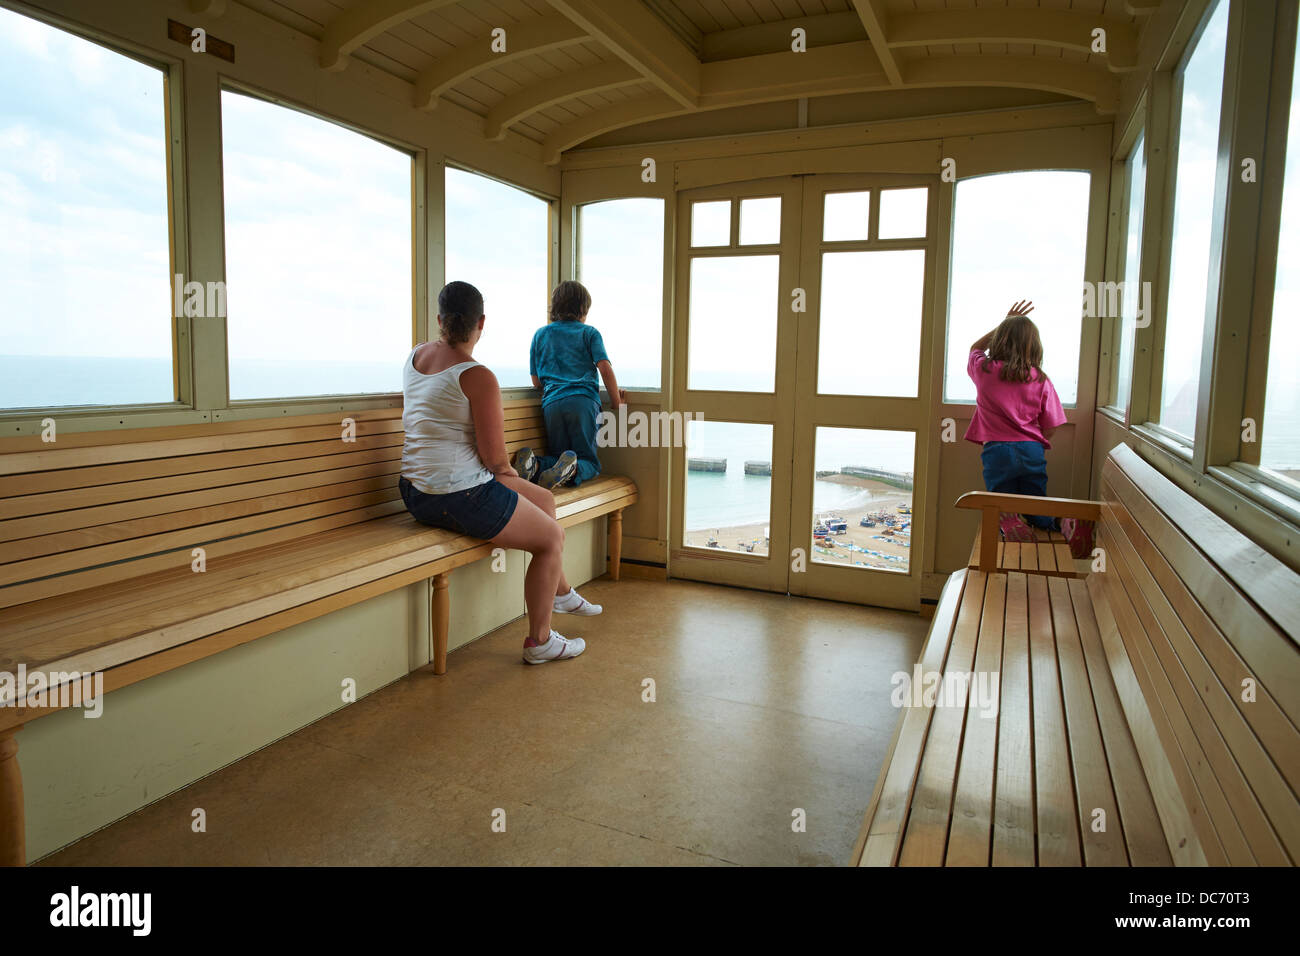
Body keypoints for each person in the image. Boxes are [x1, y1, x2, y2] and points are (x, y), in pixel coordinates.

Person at [398, 280, 602, 665]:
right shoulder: (477, 376)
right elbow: (495, 462)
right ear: (482, 323)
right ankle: (540, 642)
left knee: (543, 498)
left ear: (439, 319)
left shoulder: (415, 357)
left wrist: (515, 481)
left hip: (413, 491)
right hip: (455, 495)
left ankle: (561, 592)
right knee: (551, 538)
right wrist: (509, 477)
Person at [964, 300, 1091, 555]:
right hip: (1032, 450)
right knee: (1036, 503)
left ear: (999, 341)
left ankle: (1008, 521)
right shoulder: (1040, 378)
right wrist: (1033, 439)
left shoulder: (985, 370)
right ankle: (1063, 523)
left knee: (1000, 501)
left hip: (997, 451)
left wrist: (1004, 322)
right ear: (1034, 346)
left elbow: (975, 348)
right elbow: (1052, 425)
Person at [514, 280, 626, 489]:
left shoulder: (540, 334)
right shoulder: (589, 333)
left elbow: (536, 380)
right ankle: (573, 469)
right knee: (590, 462)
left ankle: (534, 463)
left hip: (552, 404)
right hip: (582, 402)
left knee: (557, 457)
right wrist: (617, 401)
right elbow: (604, 368)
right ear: (583, 309)